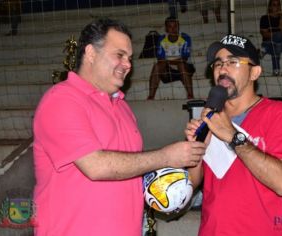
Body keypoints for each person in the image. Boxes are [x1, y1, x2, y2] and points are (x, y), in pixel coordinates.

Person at [32, 18, 206, 236]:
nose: (128, 64)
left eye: (130, 58)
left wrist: (186, 164)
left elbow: (132, 171)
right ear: (91, 53)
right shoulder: (61, 100)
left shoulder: (122, 107)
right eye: (119, 55)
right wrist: (166, 156)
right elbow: (96, 166)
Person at [185, 34, 282, 235]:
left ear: (255, 72)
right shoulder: (210, 116)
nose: (223, 68)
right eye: (218, 63)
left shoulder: (278, 113)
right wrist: (195, 148)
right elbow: (191, 184)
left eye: (233, 62)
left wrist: (232, 135)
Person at [147, 16, 195, 100]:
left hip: (185, 69)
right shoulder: (161, 39)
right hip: (169, 71)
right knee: (157, 66)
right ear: (166, 28)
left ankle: (190, 95)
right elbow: (161, 60)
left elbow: (184, 59)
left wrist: (168, 61)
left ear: (178, 27)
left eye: (175, 26)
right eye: (170, 27)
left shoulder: (185, 37)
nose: (173, 29)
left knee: (181, 65)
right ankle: (151, 96)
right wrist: (170, 61)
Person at [259, 0, 282, 76]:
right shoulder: (264, 18)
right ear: (270, 7)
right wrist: (278, 34)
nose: (277, 7)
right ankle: (276, 70)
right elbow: (265, 35)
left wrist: (281, 16)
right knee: (276, 45)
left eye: (278, 5)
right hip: (269, 43)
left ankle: (264, 50)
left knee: (279, 39)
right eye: (274, 5)